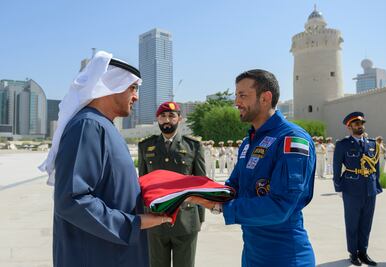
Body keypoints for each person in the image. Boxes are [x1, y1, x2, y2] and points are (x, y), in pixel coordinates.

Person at [39, 51, 171, 267]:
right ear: (111, 85)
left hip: (115, 252)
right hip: (97, 255)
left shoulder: (103, 126)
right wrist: (135, 223)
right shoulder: (88, 126)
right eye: (132, 88)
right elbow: (72, 200)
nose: (136, 96)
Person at [188, 69, 316, 266]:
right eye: (236, 95)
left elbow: (281, 206)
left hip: (285, 256)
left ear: (265, 98)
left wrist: (220, 206)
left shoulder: (291, 139)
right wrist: (195, 190)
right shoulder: (250, 142)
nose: (236, 102)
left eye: (242, 95)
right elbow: (234, 186)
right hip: (252, 254)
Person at [138, 101, 206, 267]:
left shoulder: (193, 146)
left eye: (171, 116)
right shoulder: (146, 146)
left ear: (179, 119)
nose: (167, 119)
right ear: (158, 119)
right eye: (163, 116)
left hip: (186, 220)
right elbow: (143, 184)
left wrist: (199, 217)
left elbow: (201, 184)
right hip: (155, 220)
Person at [333, 111, 381, 266]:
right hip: (351, 188)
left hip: (369, 189)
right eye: (356, 124)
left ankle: (363, 252)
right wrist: (338, 187)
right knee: (352, 222)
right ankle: (353, 253)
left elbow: (376, 167)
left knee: (366, 222)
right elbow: (336, 167)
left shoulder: (373, 144)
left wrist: (377, 185)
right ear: (349, 127)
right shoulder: (343, 145)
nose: (359, 126)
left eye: (361, 123)